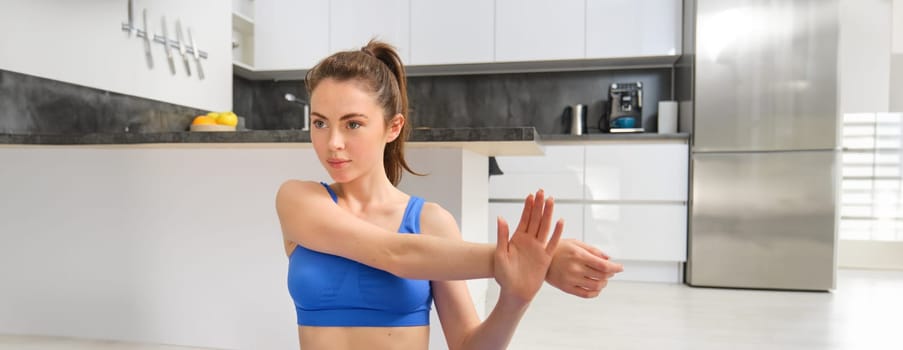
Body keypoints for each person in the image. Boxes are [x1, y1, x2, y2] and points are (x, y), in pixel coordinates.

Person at [275, 39, 624, 350]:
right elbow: (393, 252)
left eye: (352, 124)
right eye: (320, 123)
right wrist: (519, 258)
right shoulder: (298, 200)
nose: (332, 142)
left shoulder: (431, 223)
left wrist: (516, 296)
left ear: (392, 127)